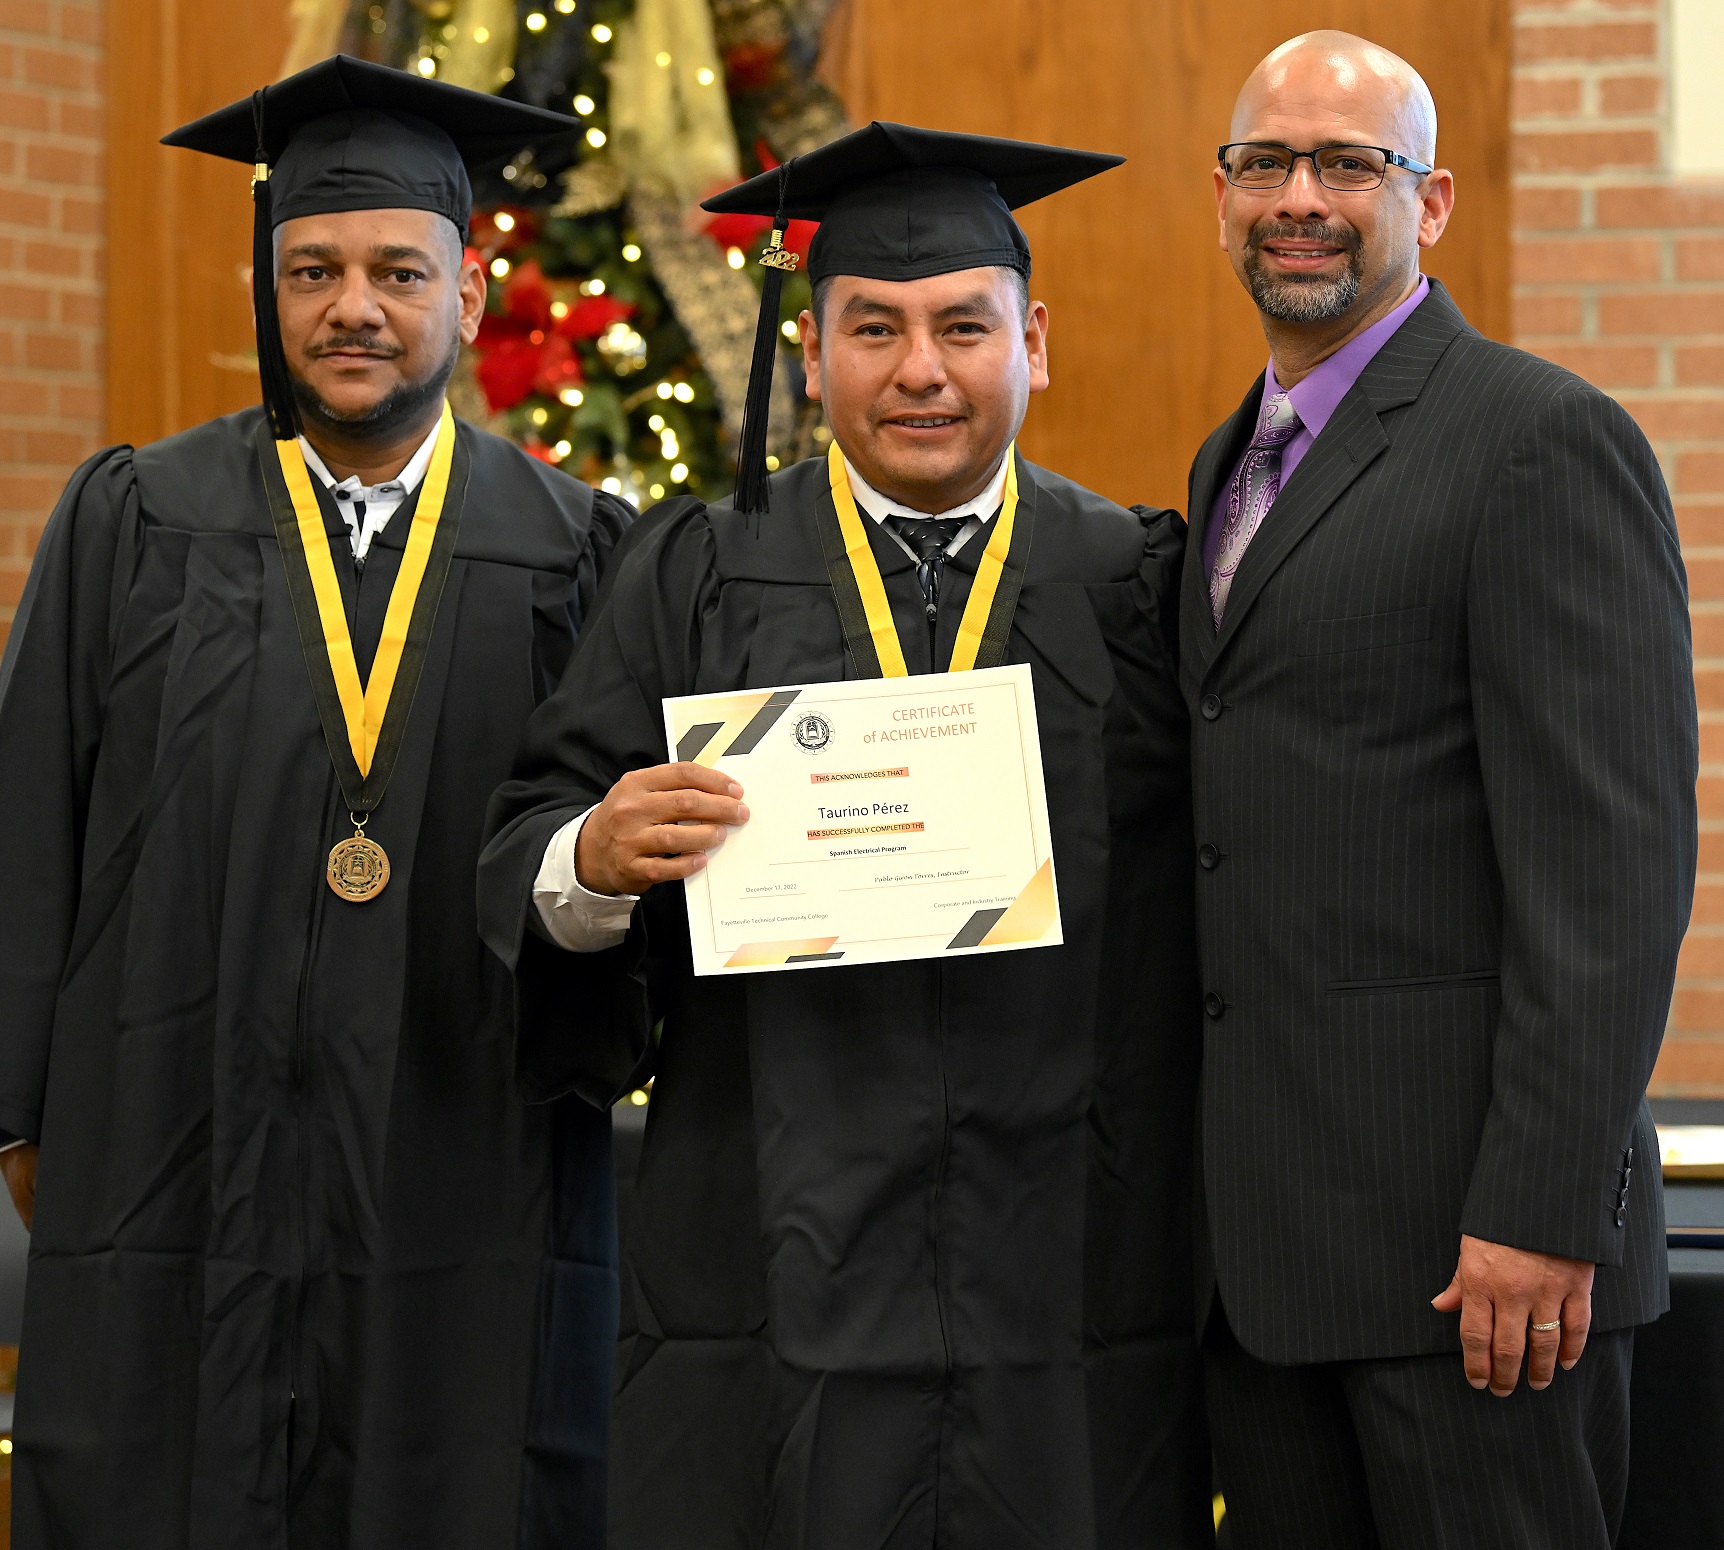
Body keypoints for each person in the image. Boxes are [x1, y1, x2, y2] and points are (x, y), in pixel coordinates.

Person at [478, 122, 1211, 1547]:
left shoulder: (1133, 581)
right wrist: (594, 855)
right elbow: (526, 844)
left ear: (1033, 339)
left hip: (1063, 1264)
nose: (920, 369)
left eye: (961, 326)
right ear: (811, 354)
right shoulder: (696, 574)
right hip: (769, 1258)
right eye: (873, 327)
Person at [0, 56, 633, 1549]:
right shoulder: (138, 519)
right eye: (315, 270)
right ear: (271, 290)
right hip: (173, 1137)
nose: (355, 306)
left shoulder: (582, 555)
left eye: (398, 270)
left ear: (470, 294)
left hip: (456, 1138)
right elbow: (31, 819)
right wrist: (21, 1109)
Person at [1184, 31, 1697, 1550]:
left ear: (1436, 201)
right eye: (1267, 161)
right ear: (1220, 199)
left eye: (1351, 163)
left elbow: (1610, 877)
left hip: (1476, 1275)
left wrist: (1543, 1211)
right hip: (1272, 1271)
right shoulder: (1230, 465)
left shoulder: (1538, 441)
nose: (1302, 196)